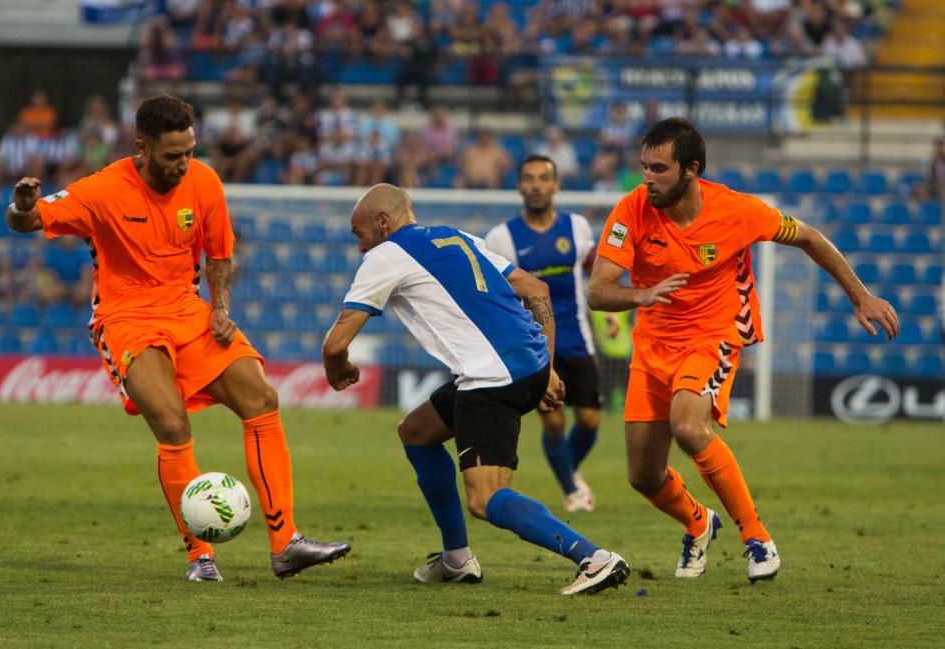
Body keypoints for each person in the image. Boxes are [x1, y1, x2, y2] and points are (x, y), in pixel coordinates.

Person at [7, 93, 349, 583]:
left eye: (189, 151)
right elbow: (28, 220)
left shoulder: (204, 181)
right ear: (141, 148)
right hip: (126, 318)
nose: (184, 163)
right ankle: (200, 557)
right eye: (173, 155)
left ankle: (286, 543)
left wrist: (223, 309)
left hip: (188, 311)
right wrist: (20, 206)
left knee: (262, 397)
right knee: (171, 424)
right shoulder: (103, 190)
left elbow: (220, 256)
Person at [587, 117, 899, 582]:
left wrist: (860, 295)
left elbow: (810, 238)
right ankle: (698, 521)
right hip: (653, 344)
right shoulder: (631, 210)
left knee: (689, 426)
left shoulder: (738, 210)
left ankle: (756, 538)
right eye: (644, 167)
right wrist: (640, 296)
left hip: (714, 333)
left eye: (659, 169)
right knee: (643, 477)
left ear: (691, 169)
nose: (647, 178)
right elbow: (597, 291)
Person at [322, 183, 630, 596]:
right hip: (530, 363)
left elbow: (335, 343)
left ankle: (594, 558)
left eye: (358, 233)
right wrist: (547, 369)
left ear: (382, 222)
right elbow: (536, 289)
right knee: (416, 432)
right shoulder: (457, 236)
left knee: (486, 498)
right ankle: (456, 559)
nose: (358, 244)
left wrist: (337, 366)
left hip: (492, 377)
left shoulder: (385, 256)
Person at [484, 155, 605, 513]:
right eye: (528, 178)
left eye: (543, 178)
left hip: (578, 337)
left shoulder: (577, 227)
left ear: (556, 186)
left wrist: (609, 316)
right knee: (554, 421)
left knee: (589, 421)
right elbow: (495, 293)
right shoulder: (501, 237)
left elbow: (593, 267)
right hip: (536, 345)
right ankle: (571, 489)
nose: (536, 185)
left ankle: (569, 469)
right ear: (519, 186)